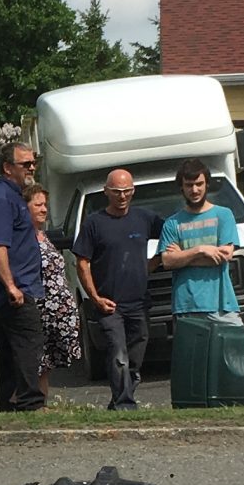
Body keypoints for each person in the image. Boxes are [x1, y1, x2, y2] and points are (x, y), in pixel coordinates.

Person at [73, 165, 160, 410]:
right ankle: (125, 404)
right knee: (118, 353)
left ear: (133, 192)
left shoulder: (144, 218)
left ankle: (121, 397)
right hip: (110, 306)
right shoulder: (94, 223)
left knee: (135, 355)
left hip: (140, 302)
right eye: (117, 191)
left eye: (127, 191)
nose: (122, 196)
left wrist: (157, 260)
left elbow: (172, 234)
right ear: (106, 192)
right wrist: (95, 298)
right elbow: (82, 262)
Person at [0, 137, 46, 410]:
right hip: (15, 289)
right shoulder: (2, 199)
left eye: (33, 163)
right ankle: (31, 402)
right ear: (7, 167)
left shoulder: (11, 195)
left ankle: (3, 401)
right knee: (29, 341)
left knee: (7, 346)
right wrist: (11, 286)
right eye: (25, 164)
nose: (31, 168)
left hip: (17, 287)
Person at [158, 158, 242, 319]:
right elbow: (168, 262)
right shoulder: (172, 223)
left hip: (222, 304)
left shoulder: (224, 215)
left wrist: (182, 257)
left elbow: (224, 256)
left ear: (207, 184)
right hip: (186, 305)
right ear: (181, 188)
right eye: (189, 185)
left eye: (199, 184)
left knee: (233, 344)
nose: (195, 190)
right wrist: (201, 250)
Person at [26, 188, 80, 398]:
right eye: (38, 205)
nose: (44, 210)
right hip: (39, 309)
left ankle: (41, 402)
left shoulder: (43, 235)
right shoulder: (24, 238)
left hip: (57, 311)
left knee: (46, 363)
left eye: (45, 205)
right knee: (36, 361)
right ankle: (26, 402)